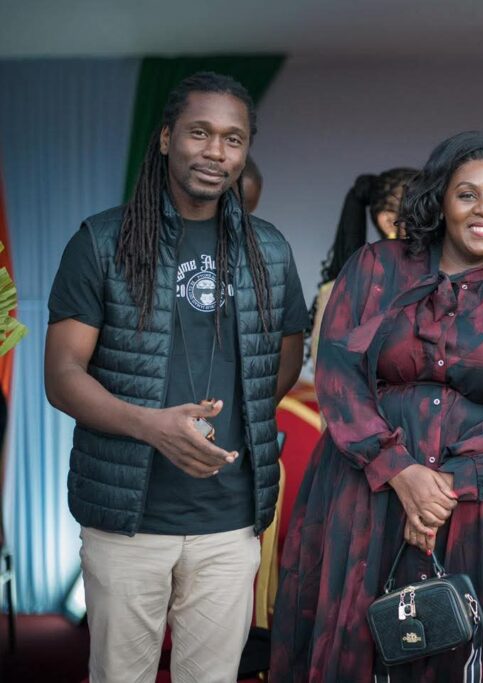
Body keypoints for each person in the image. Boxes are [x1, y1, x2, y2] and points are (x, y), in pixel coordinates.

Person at [270, 131, 483, 682]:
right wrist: (401, 472)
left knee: (478, 649)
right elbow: (338, 375)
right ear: (439, 200)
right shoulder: (375, 268)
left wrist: (441, 492)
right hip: (369, 495)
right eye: (467, 194)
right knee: (364, 644)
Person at [44, 72, 308, 683]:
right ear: (165, 138)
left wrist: (237, 417)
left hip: (230, 520)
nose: (216, 151)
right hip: (128, 520)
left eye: (233, 139)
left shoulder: (269, 251)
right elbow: (62, 374)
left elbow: (285, 360)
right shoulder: (102, 242)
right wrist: (151, 426)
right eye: (199, 132)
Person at [308, 167, 417, 368]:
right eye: (424, 211)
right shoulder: (350, 289)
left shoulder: (444, 280)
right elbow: (331, 372)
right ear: (389, 222)